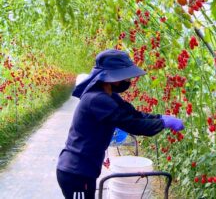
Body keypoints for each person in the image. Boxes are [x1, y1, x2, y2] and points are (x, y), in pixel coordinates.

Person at [56, 49, 184, 199]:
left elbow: (134, 115)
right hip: (76, 171)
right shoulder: (97, 99)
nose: (128, 81)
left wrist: (160, 117)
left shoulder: (109, 96)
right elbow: (132, 124)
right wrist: (163, 123)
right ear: (113, 77)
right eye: (126, 76)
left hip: (84, 169)